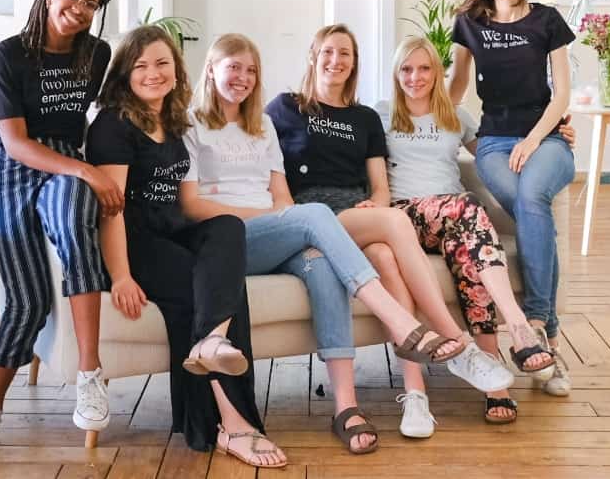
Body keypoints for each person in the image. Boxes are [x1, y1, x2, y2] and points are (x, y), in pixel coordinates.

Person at [181, 34, 471, 447]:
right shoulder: (190, 124)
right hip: (227, 242)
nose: (243, 77)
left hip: (274, 232)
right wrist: (276, 217)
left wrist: (282, 218)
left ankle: (345, 407)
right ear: (211, 70)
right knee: (315, 214)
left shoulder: (261, 126)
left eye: (251, 70)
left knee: (320, 263)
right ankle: (403, 323)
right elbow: (192, 206)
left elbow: (283, 198)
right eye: (234, 67)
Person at [266, 24, 515, 435]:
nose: (335, 60)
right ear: (313, 55)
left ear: (354, 64)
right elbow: (253, 145)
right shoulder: (285, 108)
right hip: (313, 215)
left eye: (345, 54)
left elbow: (381, 187)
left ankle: (414, 395)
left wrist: (377, 206)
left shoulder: (365, 118)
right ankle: (455, 342)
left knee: (384, 254)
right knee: (397, 221)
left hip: (356, 214)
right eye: (328, 51)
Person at [85, 26, 286, 468]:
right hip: (136, 241)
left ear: (176, 70)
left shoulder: (174, 119)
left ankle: (212, 342)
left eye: (162, 63)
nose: (153, 73)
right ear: (125, 74)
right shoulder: (113, 125)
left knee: (228, 228)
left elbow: (185, 200)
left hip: (172, 228)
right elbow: (111, 211)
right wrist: (121, 275)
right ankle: (233, 424)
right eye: (141, 66)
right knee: (207, 291)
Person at [0, 0, 120, 458]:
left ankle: (89, 375)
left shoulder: (96, 54)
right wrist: (89, 171)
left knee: (74, 221)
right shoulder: (8, 55)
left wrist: (92, 168)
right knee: (27, 300)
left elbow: (109, 109)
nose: (80, 9)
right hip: (14, 166)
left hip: (66, 163)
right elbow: (15, 142)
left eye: (91, 4)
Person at [381, 35, 576, 422]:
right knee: (468, 208)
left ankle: (495, 386)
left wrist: (554, 136)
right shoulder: (381, 114)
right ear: (396, 74)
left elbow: (496, 153)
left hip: (454, 220)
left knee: (474, 261)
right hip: (405, 216)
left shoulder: (456, 115)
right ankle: (519, 326)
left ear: (438, 72)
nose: (415, 77)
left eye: (424, 68)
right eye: (406, 69)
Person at [449, 0, 576, 397]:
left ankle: (536, 321)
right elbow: (456, 87)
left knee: (532, 195)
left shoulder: (547, 20)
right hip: (493, 144)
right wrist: (414, 120)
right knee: (530, 207)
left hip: (546, 138)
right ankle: (549, 341)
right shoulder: (469, 23)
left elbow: (562, 93)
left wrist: (535, 138)